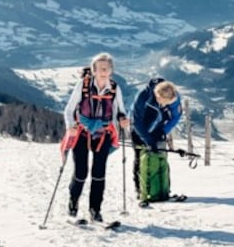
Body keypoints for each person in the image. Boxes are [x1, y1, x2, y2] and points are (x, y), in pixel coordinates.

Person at [63, 52, 129, 222]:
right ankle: (73, 202)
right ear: (93, 70)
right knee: (81, 171)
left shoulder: (114, 88)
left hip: (103, 134)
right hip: (82, 133)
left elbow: (121, 110)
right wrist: (70, 126)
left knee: (99, 173)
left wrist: (122, 119)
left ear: (111, 70)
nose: (103, 71)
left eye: (106, 68)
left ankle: (95, 209)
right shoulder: (83, 86)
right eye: (100, 68)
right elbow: (69, 109)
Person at [130, 77, 183, 207]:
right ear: (156, 94)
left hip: (158, 129)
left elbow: (176, 116)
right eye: (162, 102)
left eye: (167, 103)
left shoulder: (174, 97)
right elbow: (136, 121)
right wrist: (147, 139)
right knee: (140, 157)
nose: (164, 105)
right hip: (140, 129)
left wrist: (164, 131)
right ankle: (141, 190)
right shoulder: (143, 97)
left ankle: (162, 189)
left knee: (160, 157)